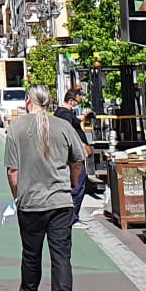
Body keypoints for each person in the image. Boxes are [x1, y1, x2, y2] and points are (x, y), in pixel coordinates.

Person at [5, 87, 88, 291]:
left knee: (31, 254)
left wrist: (17, 196)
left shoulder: (16, 128)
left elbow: (12, 171)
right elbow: (79, 159)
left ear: (28, 100)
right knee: (61, 257)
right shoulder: (63, 127)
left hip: (30, 201)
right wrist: (72, 183)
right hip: (60, 202)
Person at [56, 89, 93, 223]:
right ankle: (72, 218)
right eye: (76, 102)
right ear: (71, 101)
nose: (77, 105)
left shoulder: (65, 113)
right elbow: (68, 131)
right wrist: (81, 145)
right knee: (78, 184)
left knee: (79, 183)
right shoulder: (64, 115)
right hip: (74, 156)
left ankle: (72, 217)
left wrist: (82, 118)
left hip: (74, 154)